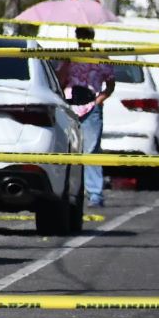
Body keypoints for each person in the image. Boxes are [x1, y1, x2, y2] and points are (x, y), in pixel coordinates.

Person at [56, 26, 115, 207]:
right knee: (68, 150)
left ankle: (95, 193)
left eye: (86, 35)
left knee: (90, 151)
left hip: (91, 106)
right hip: (70, 105)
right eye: (80, 35)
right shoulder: (68, 57)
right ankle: (68, 190)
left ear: (92, 37)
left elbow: (111, 84)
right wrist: (66, 63)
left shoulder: (101, 58)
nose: (83, 38)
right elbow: (60, 80)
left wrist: (99, 100)